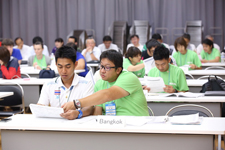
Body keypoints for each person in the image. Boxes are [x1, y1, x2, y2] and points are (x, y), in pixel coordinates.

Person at [61, 50, 149, 120]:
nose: (102, 71)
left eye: (107, 67)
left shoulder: (129, 77)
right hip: (113, 126)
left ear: (118, 70)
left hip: (136, 125)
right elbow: (97, 113)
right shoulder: (100, 83)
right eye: (101, 66)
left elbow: (107, 95)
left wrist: (76, 103)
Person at [37, 46, 94, 119]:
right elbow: (41, 105)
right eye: (60, 67)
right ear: (56, 64)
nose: (63, 71)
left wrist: (77, 113)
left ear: (75, 64)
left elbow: (89, 108)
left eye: (68, 67)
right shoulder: (49, 84)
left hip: (78, 126)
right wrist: (39, 108)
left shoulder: (86, 84)